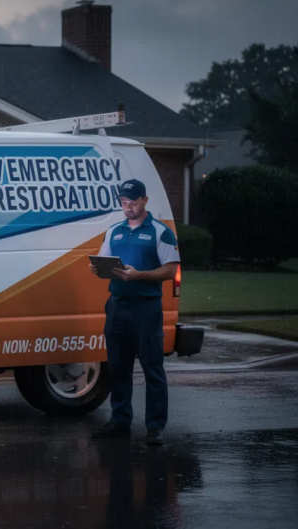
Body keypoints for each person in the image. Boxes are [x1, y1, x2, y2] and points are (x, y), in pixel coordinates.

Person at [89, 179, 180, 445]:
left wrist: (140, 275)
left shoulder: (160, 232)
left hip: (146, 308)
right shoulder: (114, 231)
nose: (128, 207)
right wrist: (97, 269)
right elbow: (103, 260)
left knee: (152, 368)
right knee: (118, 367)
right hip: (117, 305)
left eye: (133, 202)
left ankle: (155, 427)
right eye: (123, 203)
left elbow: (171, 268)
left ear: (145, 201)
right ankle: (120, 421)